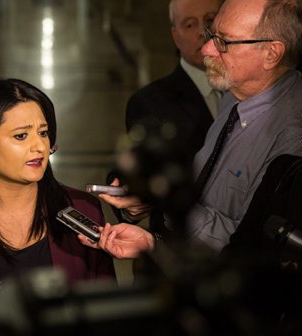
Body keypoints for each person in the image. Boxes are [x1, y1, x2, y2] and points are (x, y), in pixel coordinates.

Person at [80, 0, 302, 256]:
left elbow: (250, 248)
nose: (206, 48)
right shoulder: (234, 96)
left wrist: (166, 201)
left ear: (271, 53)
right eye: (211, 34)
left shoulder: (292, 140)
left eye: (224, 42)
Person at [0, 78, 116, 301]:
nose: (39, 147)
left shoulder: (84, 208)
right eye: (21, 136)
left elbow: (105, 309)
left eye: (44, 133)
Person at [108, 0, 221, 224]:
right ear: (175, 35)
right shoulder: (150, 102)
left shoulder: (248, 88)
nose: (203, 32)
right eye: (189, 25)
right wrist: (132, 200)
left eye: (210, 21)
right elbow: (135, 170)